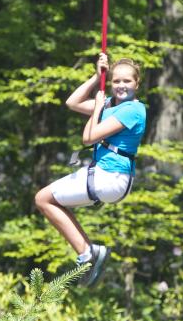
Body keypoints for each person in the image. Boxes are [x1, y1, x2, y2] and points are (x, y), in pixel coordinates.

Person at [35, 53, 146, 286]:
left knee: (43, 198)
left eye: (127, 81)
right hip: (106, 177)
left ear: (137, 83)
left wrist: (96, 108)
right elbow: (72, 102)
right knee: (48, 200)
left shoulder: (133, 111)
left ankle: (88, 253)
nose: (121, 86)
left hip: (111, 177)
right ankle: (89, 253)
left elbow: (88, 137)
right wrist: (97, 78)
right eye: (116, 81)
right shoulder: (110, 105)